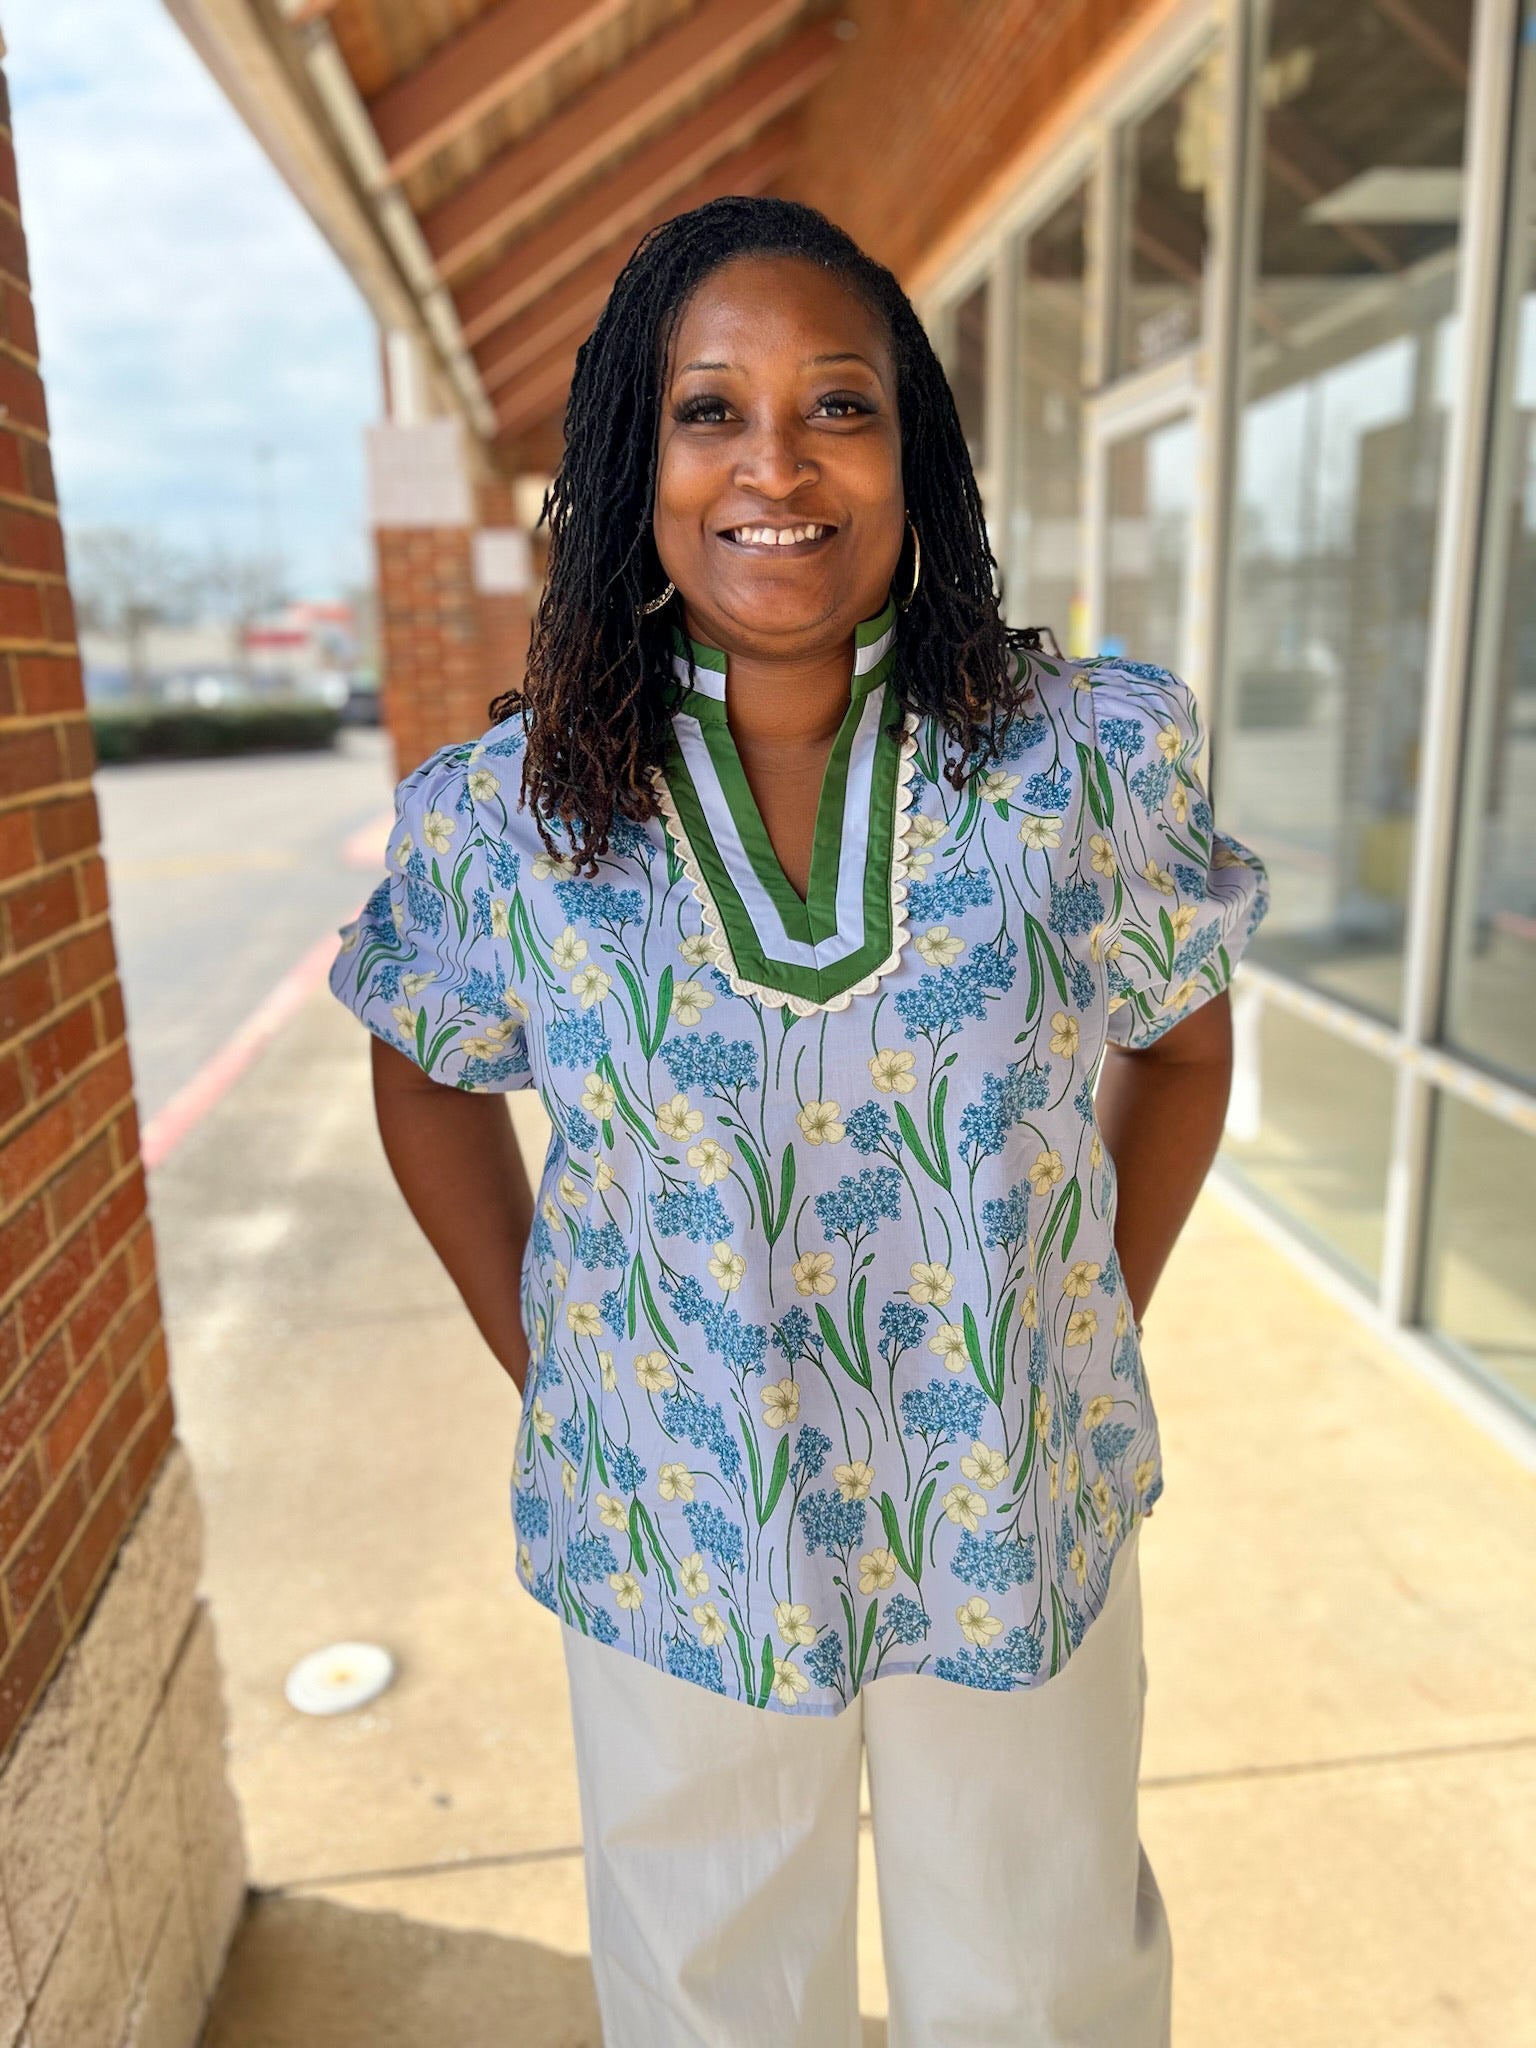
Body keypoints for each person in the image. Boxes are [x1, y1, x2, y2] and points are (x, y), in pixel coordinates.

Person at [330, 195, 1269, 2047]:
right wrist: (562, 1356)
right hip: (678, 1518)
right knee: (705, 1987)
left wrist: (1079, 1319)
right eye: (709, 411)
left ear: (913, 454)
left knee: (1045, 1974)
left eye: (838, 407)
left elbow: (1180, 1049)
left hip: (1008, 1495)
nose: (776, 464)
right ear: (633, 455)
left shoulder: (1081, 760)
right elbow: (425, 1063)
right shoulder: (507, 819)